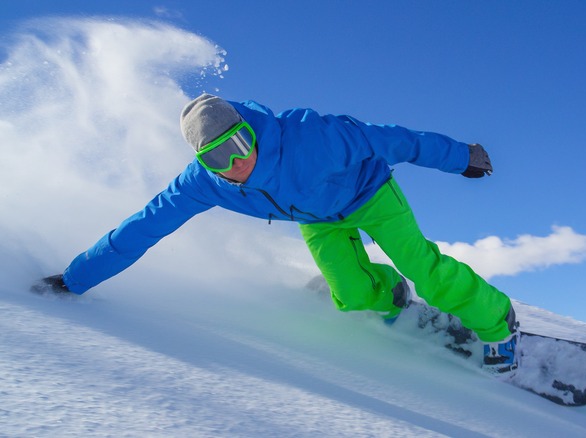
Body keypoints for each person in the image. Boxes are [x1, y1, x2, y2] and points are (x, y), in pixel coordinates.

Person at [35, 94, 519, 379]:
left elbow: (395, 139)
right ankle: (388, 293)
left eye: (239, 144)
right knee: (349, 296)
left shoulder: (312, 136)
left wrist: (463, 157)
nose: (235, 163)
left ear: (250, 129)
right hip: (319, 217)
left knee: (426, 272)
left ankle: (498, 321)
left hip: (371, 194)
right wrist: (73, 280)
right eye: (217, 159)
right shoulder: (202, 184)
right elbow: (139, 230)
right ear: (202, 164)